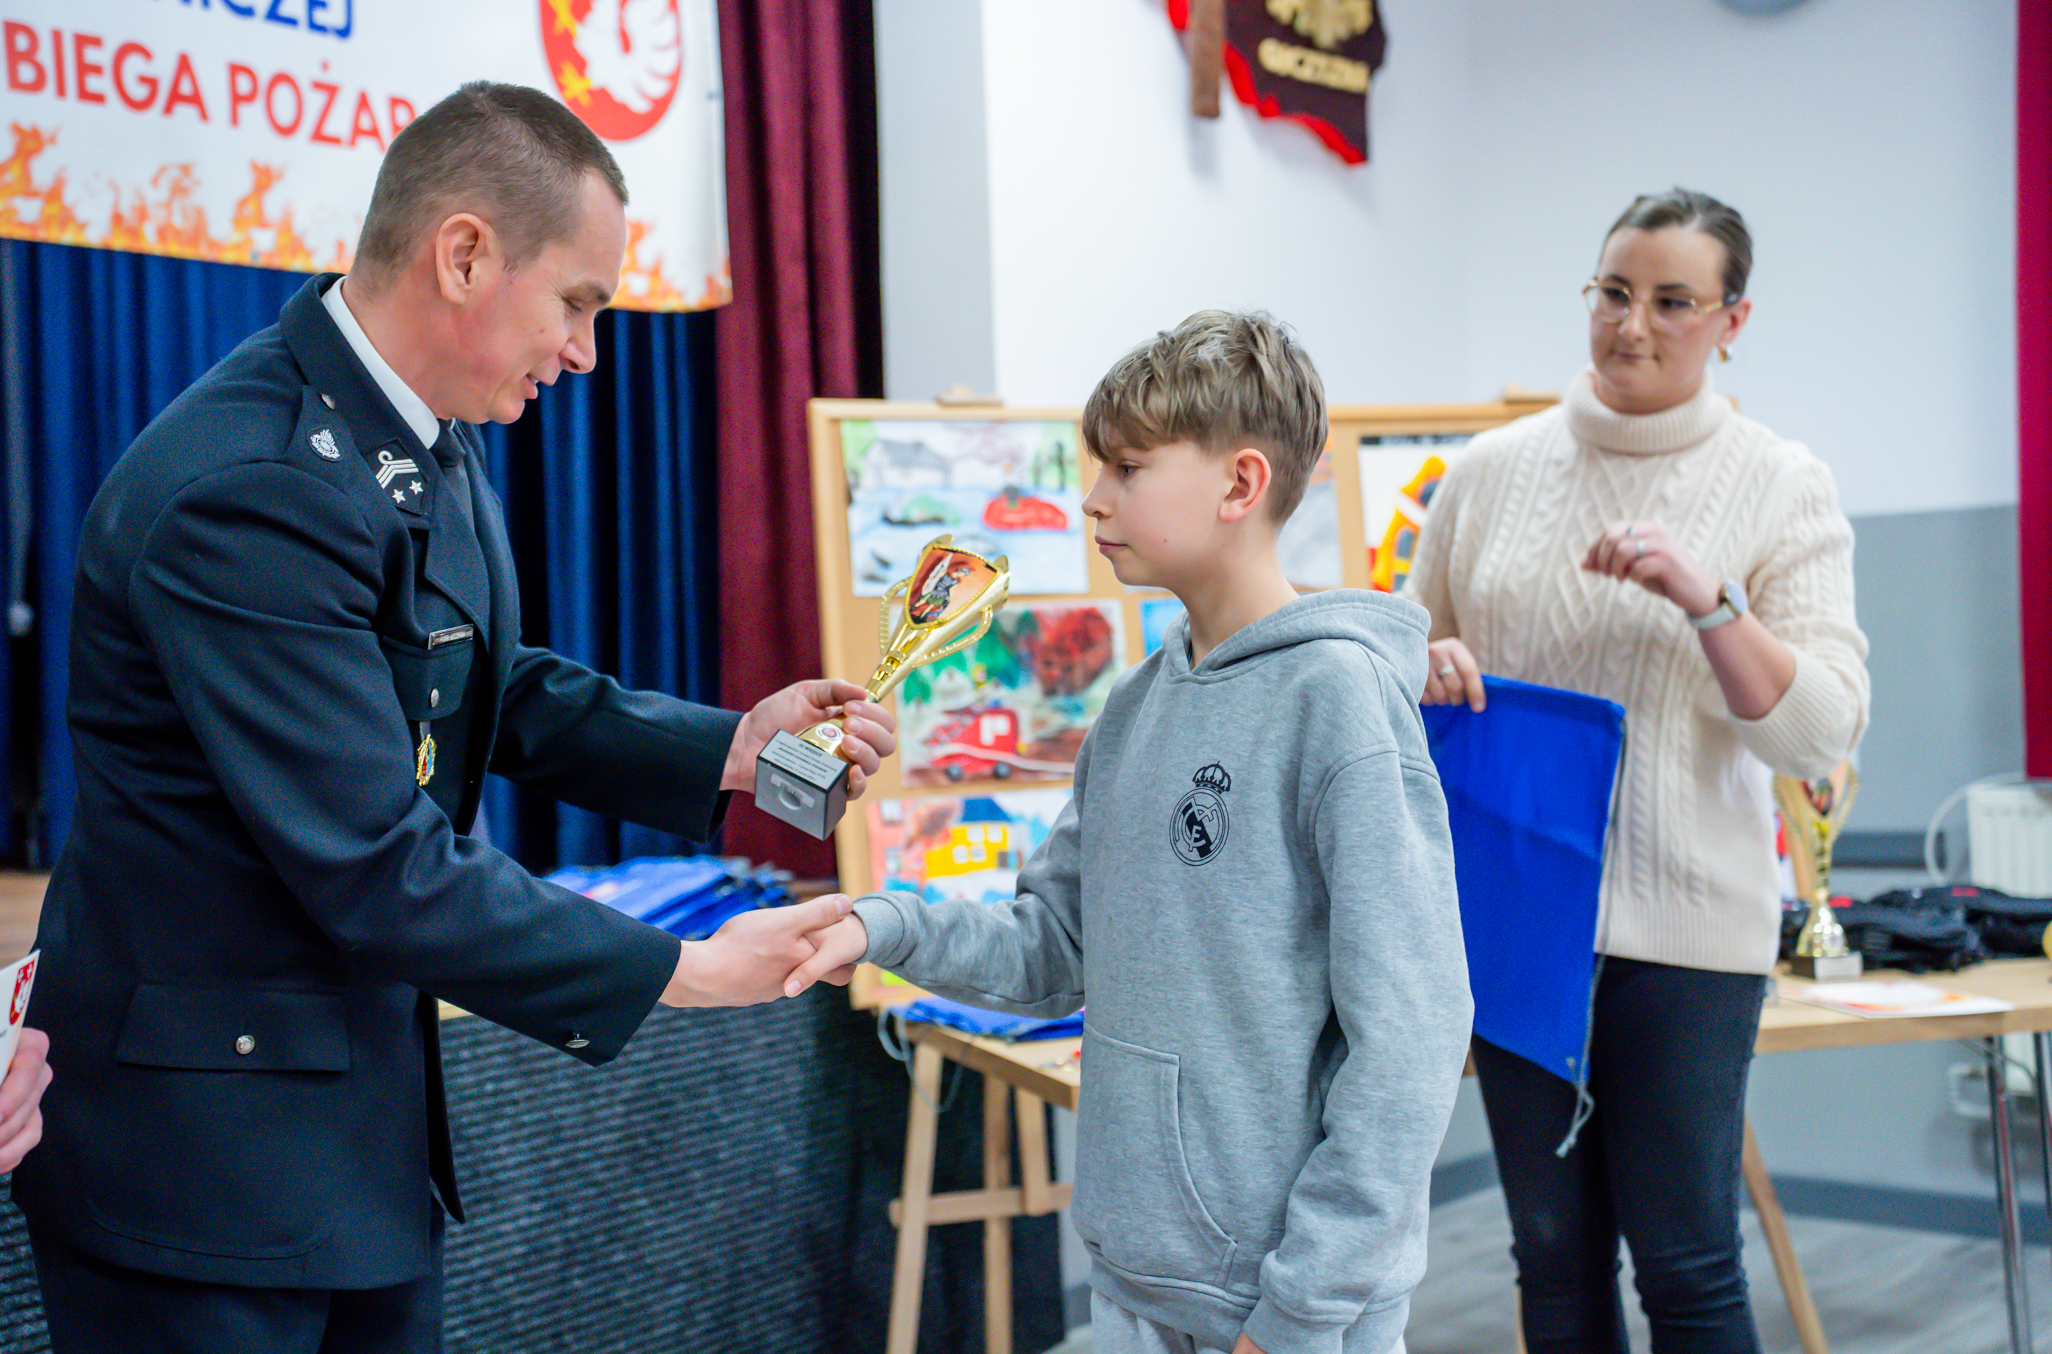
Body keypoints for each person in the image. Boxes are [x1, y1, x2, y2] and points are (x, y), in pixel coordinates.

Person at [12, 81, 895, 1354]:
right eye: (576, 303)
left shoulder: (418, 433)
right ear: (467, 254)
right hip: (201, 1165)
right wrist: (687, 968)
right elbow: (378, 859)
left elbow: (489, 680)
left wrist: (732, 750)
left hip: (349, 1121)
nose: (587, 352)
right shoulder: (250, 488)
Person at [792, 311, 1473, 1354]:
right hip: (1137, 1280)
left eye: (1128, 467)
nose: (1093, 498)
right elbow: (1053, 947)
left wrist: (1301, 1310)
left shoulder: (1338, 698)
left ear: (1240, 484)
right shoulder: (1133, 709)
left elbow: (1412, 1034)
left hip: (1287, 1312)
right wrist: (879, 926)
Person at [1406, 188, 1870, 1353]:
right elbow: (1396, 670)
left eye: (1673, 301)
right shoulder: (1487, 471)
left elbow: (1817, 733)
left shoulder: (1781, 481)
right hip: (1517, 922)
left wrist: (1709, 601)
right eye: (1614, 292)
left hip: (1687, 935)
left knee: (1687, 1262)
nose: (1633, 324)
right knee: (1553, 1259)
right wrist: (1423, 663)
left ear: (1732, 319)